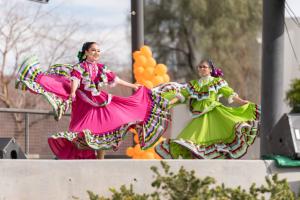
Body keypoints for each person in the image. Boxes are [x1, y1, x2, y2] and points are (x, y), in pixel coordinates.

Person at [16, 42, 170, 159]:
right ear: (86, 53)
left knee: (106, 127)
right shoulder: (80, 67)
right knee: (82, 131)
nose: (96, 53)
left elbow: (115, 79)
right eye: (93, 51)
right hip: (84, 102)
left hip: (100, 100)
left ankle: (100, 160)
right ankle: (83, 156)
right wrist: (73, 93)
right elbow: (75, 80)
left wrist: (133, 86)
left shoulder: (102, 67)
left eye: (98, 51)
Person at [154, 59, 260, 159]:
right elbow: (181, 95)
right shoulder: (194, 84)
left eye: (204, 67)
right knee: (187, 139)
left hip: (215, 113)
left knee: (218, 136)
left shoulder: (217, 82)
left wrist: (242, 102)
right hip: (198, 116)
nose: (201, 69)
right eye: (200, 67)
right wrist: (168, 103)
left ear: (210, 70)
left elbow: (229, 94)